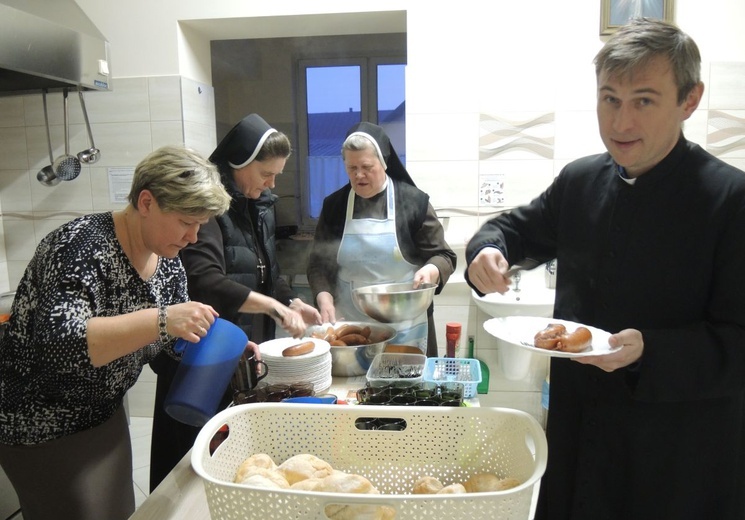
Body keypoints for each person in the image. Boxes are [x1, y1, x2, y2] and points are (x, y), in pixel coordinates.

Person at [466, 18, 745, 520]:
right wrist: (487, 249)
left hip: (677, 457)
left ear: (690, 100)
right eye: (609, 98)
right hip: (580, 434)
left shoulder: (730, 200)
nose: (620, 123)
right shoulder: (581, 181)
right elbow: (513, 230)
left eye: (643, 100)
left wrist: (650, 353)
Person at [0, 145, 232, 520]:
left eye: (200, 225)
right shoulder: (81, 246)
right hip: (41, 423)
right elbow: (59, 345)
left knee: (118, 512)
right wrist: (161, 319)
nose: (193, 237)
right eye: (186, 221)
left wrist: (220, 346)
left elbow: (170, 344)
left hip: (104, 413)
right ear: (146, 202)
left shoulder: (167, 262)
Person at [148, 113, 322, 490]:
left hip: (241, 351)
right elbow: (206, 281)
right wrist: (273, 308)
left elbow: (263, 270)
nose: (272, 183)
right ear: (239, 165)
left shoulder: (256, 205)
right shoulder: (208, 211)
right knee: (193, 460)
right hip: (203, 355)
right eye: (266, 174)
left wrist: (290, 300)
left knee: (234, 457)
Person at [307, 122, 456, 357]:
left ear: (384, 163)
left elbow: (444, 256)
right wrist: (323, 296)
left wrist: (431, 270)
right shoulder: (334, 206)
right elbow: (318, 263)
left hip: (407, 322)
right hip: (352, 324)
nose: (359, 175)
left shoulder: (414, 202)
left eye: (367, 167)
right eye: (351, 168)